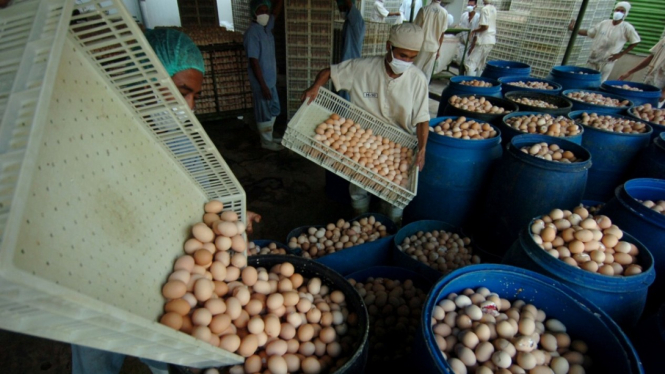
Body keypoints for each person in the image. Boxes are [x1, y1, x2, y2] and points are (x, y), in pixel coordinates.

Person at [71, 28, 261, 374]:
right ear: (146, 75)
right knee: (97, 349)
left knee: (169, 345)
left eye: (193, 96)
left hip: (164, 264)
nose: (187, 105)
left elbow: (201, 181)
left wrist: (231, 214)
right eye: (181, 91)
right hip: (103, 268)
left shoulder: (177, 129)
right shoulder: (100, 125)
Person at [301, 23, 430, 220]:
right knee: (358, 183)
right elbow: (329, 72)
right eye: (403, 55)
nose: (407, 61)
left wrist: (422, 147)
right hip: (361, 133)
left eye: (412, 58)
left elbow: (422, 119)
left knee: (396, 190)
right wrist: (315, 87)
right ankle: (360, 218)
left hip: (399, 141)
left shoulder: (417, 79)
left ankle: (392, 224)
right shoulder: (363, 68)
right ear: (389, 46)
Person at [244, 0, 284, 151]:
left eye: (266, 11)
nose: (265, 14)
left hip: (270, 80)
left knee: (274, 109)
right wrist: (263, 86)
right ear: (254, 13)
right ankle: (266, 142)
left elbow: (275, 13)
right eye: (261, 11)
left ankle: (270, 136)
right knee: (263, 112)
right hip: (261, 83)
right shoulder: (252, 33)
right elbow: (254, 61)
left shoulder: (266, 28)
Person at [568, 1, 640, 82]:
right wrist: (574, 29)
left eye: (622, 11)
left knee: (599, 82)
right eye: (617, 10)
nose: (618, 12)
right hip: (593, 58)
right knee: (586, 80)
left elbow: (635, 41)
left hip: (607, 61)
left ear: (625, 13)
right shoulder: (604, 23)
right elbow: (589, 32)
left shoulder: (627, 27)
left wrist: (620, 54)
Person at [619, 35, 665, 103]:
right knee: (641, 102)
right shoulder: (664, 40)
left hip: (662, 84)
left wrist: (664, 93)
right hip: (651, 78)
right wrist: (630, 72)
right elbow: (651, 57)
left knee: (652, 108)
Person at [413, 0, 449, 83]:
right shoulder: (444, 12)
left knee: (415, 69)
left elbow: (416, 29)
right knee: (427, 73)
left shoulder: (424, 10)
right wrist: (439, 50)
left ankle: (413, 90)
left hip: (421, 45)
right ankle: (424, 92)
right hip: (434, 47)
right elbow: (442, 34)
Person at [337, 0, 365, 101]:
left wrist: (348, 3)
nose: (341, 11)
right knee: (344, 95)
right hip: (346, 64)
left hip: (351, 65)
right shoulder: (348, 22)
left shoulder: (356, 19)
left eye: (342, 9)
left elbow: (349, 4)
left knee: (347, 98)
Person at [464, 0, 496, 76]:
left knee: (470, 63)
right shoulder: (493, 9)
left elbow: (485, 27)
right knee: (480, 65)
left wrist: (474, 31)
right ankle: (477, 83)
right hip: (491, 40)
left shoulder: (484, 9)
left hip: (483, 40)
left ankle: (469, 85)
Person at [454, 0, 480, 65]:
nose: (469, 7)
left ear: (475, 6)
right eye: (469, 5)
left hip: (471, 44)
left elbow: (477, 34)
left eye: (471, 5)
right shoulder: (464, 15)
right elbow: (460, 27)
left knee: (468, 64)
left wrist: (472, 48)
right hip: (462, 43)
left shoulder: (478, 17)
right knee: (460, 62)